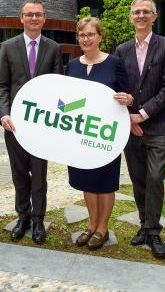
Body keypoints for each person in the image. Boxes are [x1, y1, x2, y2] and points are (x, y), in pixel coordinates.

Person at [114, 0, 165, 259]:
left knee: (155, 177)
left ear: (154, 16)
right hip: (130, 128)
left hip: (159, 126)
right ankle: (144, 224)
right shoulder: (122, 50)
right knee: (138, 179)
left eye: (146, 12)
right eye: (136, 12)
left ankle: (153, 231)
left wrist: (141, 114)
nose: (141, 15)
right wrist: (129, 118)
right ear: (131, 17)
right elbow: (117, 87)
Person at [0, 0, 63, 244]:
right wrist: (4, 114)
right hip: (14, 125)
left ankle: (38, 220)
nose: (34, 18)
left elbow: (59, 88)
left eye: (38, 14)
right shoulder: (8, 47)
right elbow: (2, 85)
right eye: (29, 14)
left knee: (39, 175)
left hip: (41, 126)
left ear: (44, 18)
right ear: (21, 18)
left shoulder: (54, 48)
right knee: (19, 174)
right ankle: (22, 217)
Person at [67, 17, 132, 249]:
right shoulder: (72, 65)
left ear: (100, 37)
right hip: (79, 133)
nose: (86, 39)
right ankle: (92, 226)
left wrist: (129, 99)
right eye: (82, 35)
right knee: (87, 180)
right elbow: (70, 100)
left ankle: (103, 229)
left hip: (105, 134)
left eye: (90, 34)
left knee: (105, 181)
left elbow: (127, 93)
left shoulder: (114, 63)